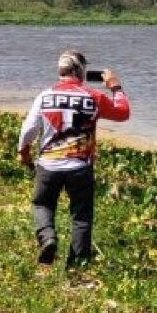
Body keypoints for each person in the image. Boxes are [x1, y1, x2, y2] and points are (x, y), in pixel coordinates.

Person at [17, 50, 130, 267]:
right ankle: (78, 262)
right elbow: (122, 112)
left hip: (48, 164)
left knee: (42, 205)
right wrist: (115, 87)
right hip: (80, 166)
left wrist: (24, 153)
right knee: (81, 214)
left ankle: (47, 237)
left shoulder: (45, 95)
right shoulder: (93, 97)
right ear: (80, 70)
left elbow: (29, 129)